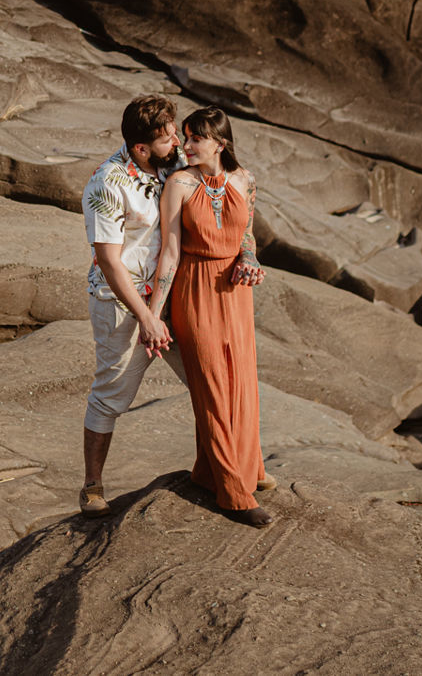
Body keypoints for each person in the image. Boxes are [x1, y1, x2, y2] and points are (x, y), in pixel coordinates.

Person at [155, 104, 276, 528]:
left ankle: (217, 472)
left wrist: (249, 258)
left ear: (220, 143)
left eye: (196, 138)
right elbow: (170, 252)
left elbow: (248, 235)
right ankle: (234, 494)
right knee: (211, 389)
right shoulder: (178, 184)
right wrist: (154, 315)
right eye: (185, 137)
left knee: (241, 383)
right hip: (195, 290)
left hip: (236, 293)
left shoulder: (245, 180)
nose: (185, 145)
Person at [78, 94, 189, 517]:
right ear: (141, 148)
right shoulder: (107, 183)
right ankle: (92, 487)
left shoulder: (174, 164)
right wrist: (146, 318)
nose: (176, 142)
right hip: (121, 305)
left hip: (171, 295)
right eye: (167, 138)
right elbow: (109, 260)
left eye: (175, 133)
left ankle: (224, 469)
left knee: (206, 380)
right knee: (110, 395)